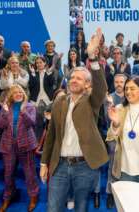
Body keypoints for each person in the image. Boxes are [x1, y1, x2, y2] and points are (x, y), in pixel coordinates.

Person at [40, 28, 109, 212]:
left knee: (81, 208)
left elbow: (101, 88)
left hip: (84, 166)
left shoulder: (92, 101)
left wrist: (92, 58)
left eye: (79, 78)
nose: (73, 80)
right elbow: (51, 134)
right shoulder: (60, 100)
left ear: (87, 84)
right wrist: (44, 163)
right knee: (53, 208)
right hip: (59, 165)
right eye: (72, 77)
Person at [0, 84, 39, 212]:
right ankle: (8, 197)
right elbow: (0, 125)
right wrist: (3, 111)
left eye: (20, 92)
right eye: (15, 93)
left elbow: (31, 123)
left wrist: (23, 111)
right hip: (8, 145)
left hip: (26, 144)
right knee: (8, 174)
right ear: (11, 95)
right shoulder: (7, 108)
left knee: (29, 173)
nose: (18, 94)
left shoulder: (30, 106)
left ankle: (33, 196)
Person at [104, 74, 127, 209]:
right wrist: (109, 106)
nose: (119, 84)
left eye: (121, 82)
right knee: (112, 166)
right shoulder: (109, 98)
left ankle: (124, 193)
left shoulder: (130, 95)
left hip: (129, 137)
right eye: (116, 82)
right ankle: (110, 193)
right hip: (113, 136)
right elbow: (106, 121)